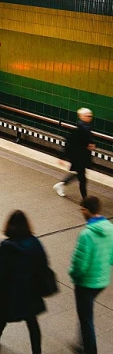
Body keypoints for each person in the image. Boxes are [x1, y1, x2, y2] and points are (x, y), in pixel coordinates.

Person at [0, 210, 50, 354]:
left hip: (10, 291)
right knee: (32, 322)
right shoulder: (35, 242)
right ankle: (36, 351)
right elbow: (43, 265)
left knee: (3, 315)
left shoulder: (6, 246)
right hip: (30, 291)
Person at [69, 196, 113, 354]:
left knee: (86, 319)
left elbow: (80, 264)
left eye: (82, 209)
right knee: (85, 313)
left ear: (87, 210)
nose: (81, 212)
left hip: (86, 283)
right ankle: (81, 343)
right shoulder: (110, 228)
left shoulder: (86, 234)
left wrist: (73, 275)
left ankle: (89, 350)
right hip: (102, 280)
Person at [53, 108, 95, 198]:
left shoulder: (85, 127)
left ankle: (61, 184)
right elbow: (69, 143)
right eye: (87, 116)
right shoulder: (80, 128)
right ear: (81, 116)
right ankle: (85, 200)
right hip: (78, 157)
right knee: (82, 179)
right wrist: (61, 157)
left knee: (79, 175)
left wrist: (90, 144)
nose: (90, 118)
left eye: (90, 116)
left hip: (81, 157)